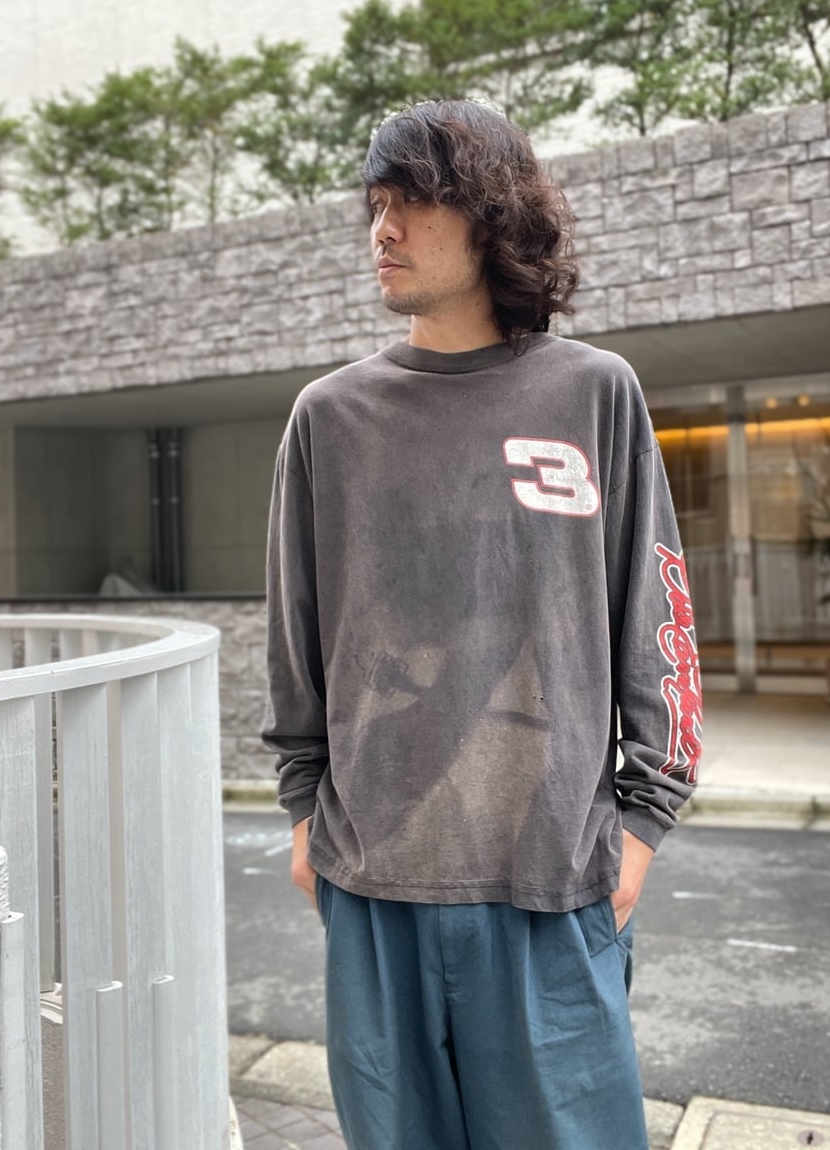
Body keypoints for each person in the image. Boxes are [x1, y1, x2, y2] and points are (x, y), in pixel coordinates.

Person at [263, 98, 703, 1150]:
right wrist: (303, 816)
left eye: (411, 201)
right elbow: (296, 633)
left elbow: (658, 613)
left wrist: (641, 825)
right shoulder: (330, 417)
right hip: (371, 881)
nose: (383, 229)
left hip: (552, 880)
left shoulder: (592, 393)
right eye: (375, 205)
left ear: (493, 213)